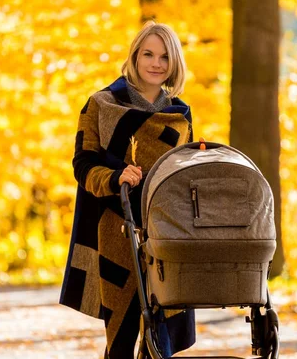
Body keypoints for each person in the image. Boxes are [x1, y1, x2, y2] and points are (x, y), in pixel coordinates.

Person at [60, 21, 195, 358]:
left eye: (164, 57)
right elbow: (83, 163)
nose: (156, 63)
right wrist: (114, 177)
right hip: (115, 227)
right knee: (120, 335)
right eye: (148, 54)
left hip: (166, 231)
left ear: (174, 63)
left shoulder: (180, 115)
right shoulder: (102, 105)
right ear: (135, 56)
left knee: (161, 328)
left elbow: (184, 171)